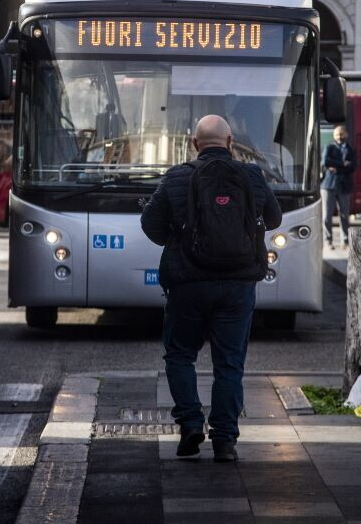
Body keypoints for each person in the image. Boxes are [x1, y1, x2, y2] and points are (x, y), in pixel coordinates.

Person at [140, 115, 281, 463]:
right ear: (231, 143)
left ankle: (190, 423)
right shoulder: (251, 176)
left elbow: (150, 224)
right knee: (230, 364)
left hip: (188, 284)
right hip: (237, 285)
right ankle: (225, 440)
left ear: (193, 144)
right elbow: (274, 219)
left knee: (180, 354)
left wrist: (180, 243)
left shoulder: (177, 177)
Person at [321, 125, 355, 249]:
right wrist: (342, 164)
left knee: (345, 215)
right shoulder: (329, 147)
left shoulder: (351, 149)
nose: (339, 137)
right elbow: (325, 162)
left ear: (346, 134)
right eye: (337, 135)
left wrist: (336, 167)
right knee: (326, 215)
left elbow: (353, 167)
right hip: (328, 186)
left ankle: (345, 240)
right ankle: (328, 240)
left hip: (344, 186)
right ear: (334, 136)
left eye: (341, 134)